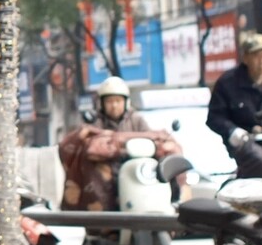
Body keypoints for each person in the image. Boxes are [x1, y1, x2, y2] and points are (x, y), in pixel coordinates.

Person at [60, 76, 180, 215]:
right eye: (110, 101)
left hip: (135, 170)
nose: (114, 105)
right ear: (102, 103)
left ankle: (175, 201)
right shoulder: (96, 123)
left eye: (118, 101)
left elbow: (152, 139)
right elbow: (90, 146)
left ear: (126, 102)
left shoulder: (136, 120)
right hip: (109, 173)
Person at [207, 32, 262, 180]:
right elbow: (214, 118)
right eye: (256, 55)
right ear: (245, 58)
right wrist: (233, 131)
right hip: (244, 143)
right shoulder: (228, 83)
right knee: (258, 159)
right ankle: (252, 199)